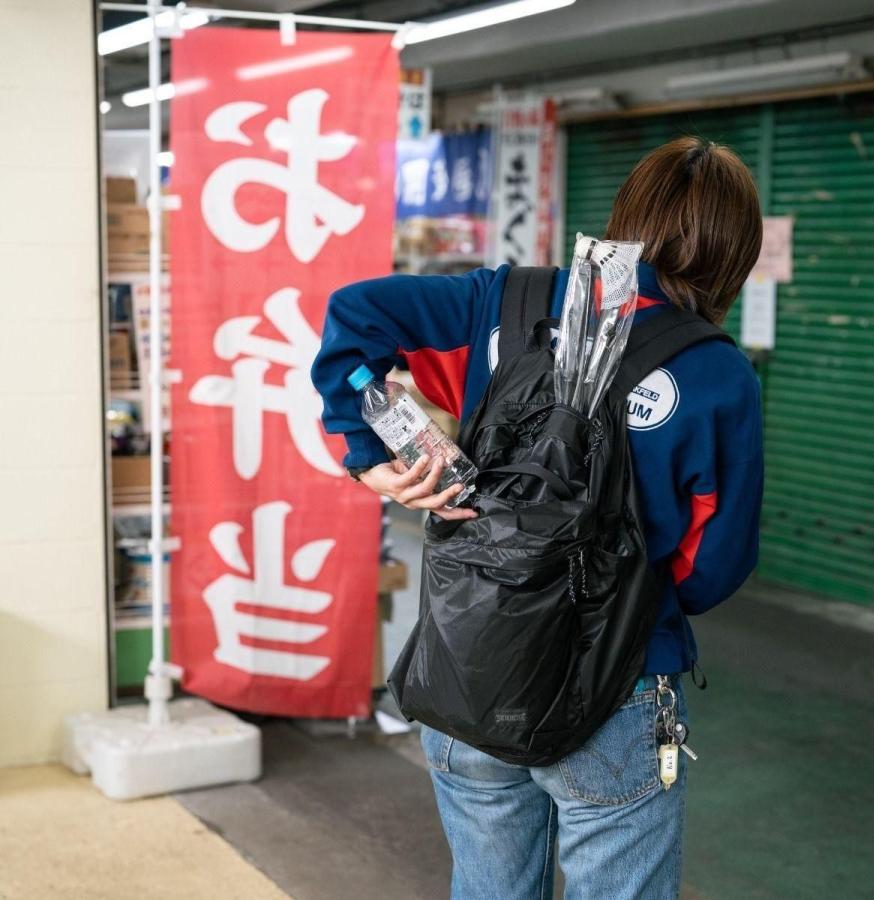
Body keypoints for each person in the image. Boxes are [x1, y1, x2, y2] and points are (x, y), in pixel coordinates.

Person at [312, 137, 764, 899]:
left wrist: (365, 453)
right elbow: (714, 564)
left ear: (629, 217)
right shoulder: (719, 374)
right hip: (617, 682)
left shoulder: (505, 300)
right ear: (734, 254)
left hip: (470, 662)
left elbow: (356, 314)